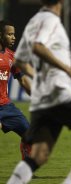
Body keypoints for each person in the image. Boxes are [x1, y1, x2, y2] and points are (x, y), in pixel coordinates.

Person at [6, 1, 71, 184]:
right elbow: (38, 47)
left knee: (39, 156)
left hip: (42, 99)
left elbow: (20, 61)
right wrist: (67, 70)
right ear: (61, 2)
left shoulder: (33, 21)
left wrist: (39, 77)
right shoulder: (50, 20)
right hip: (59, 93)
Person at [0, 20, 31, 160]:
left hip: (6, 106)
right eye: (9, 34)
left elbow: (23, 80)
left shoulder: (12, 56)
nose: (13, 37)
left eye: (14, 34)